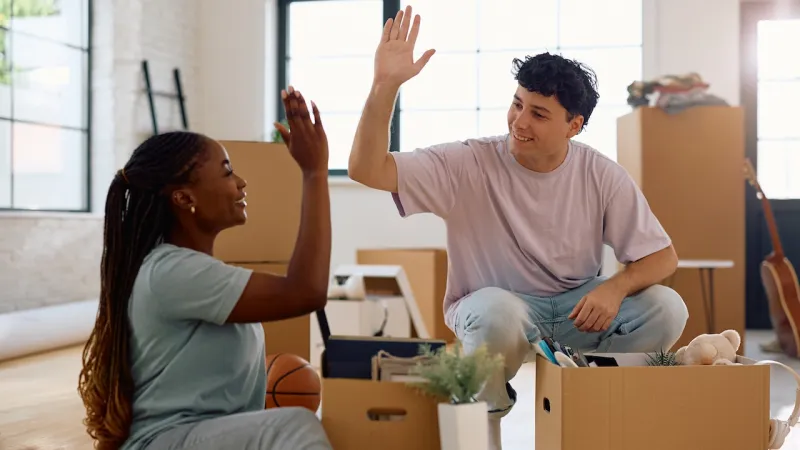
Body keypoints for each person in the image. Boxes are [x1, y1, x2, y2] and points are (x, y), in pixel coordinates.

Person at [348, 6, 689, 448]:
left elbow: (663, 257)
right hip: (496, 308)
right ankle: (486, 424)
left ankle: (595, 391)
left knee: (667, 307)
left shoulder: (601, 174)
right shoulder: (467, 162)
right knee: (497, 311)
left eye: (539, 114)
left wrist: (615, 287)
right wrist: (385, 86)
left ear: (574, 125)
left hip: (575, 311)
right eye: (517, 104)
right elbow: (365, 168)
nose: (519, 122)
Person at [78, 87, 334, 450]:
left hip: (191, 438)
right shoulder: (172, 272)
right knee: (293, 426)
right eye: (228, 172)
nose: (241, 183)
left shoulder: (183, 268)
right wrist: (314, 174)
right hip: (165, 442)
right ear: (184, 198)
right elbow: (305, 291)